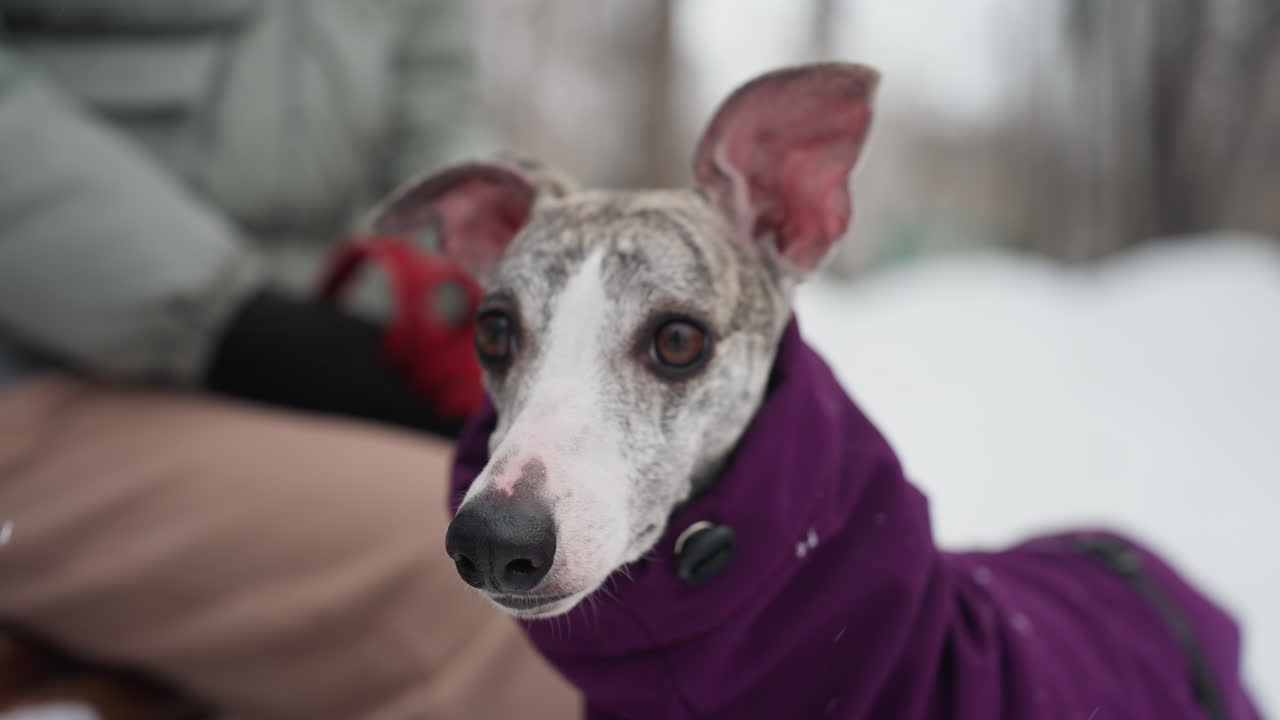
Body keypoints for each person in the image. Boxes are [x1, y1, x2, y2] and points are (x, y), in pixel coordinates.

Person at [0, 1, 579, 717]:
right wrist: (227, 321)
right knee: (520, 607)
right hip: (40, 385)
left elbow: (443, 163)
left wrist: (516, 326)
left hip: (292, 387)